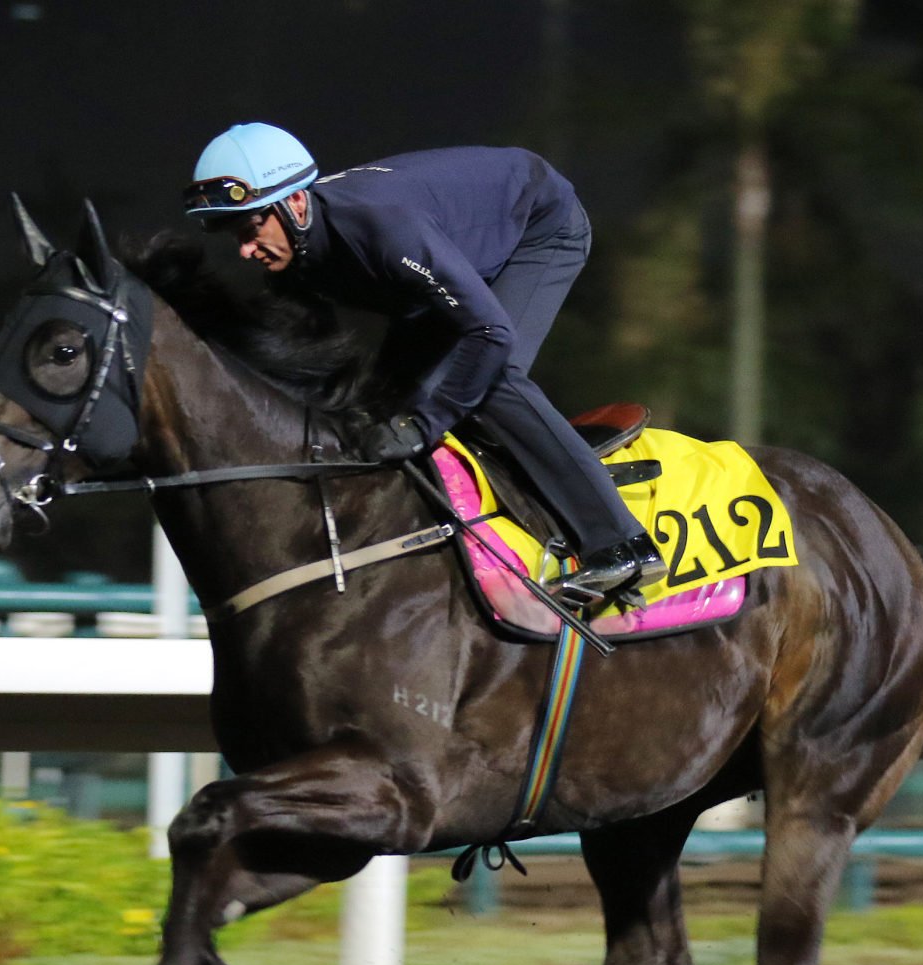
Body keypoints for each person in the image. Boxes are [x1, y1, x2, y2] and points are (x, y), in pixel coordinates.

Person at [183, 122, 666, 604]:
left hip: (538, 228)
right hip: (447, 259)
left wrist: (424, 421)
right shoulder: (294, 257)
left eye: (250, 228)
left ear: (296, 204)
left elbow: (489, 332)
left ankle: (622, 544)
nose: (245, 249)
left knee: (490, 380)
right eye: (233, 234)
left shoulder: (382, 228)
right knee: (385, 399)